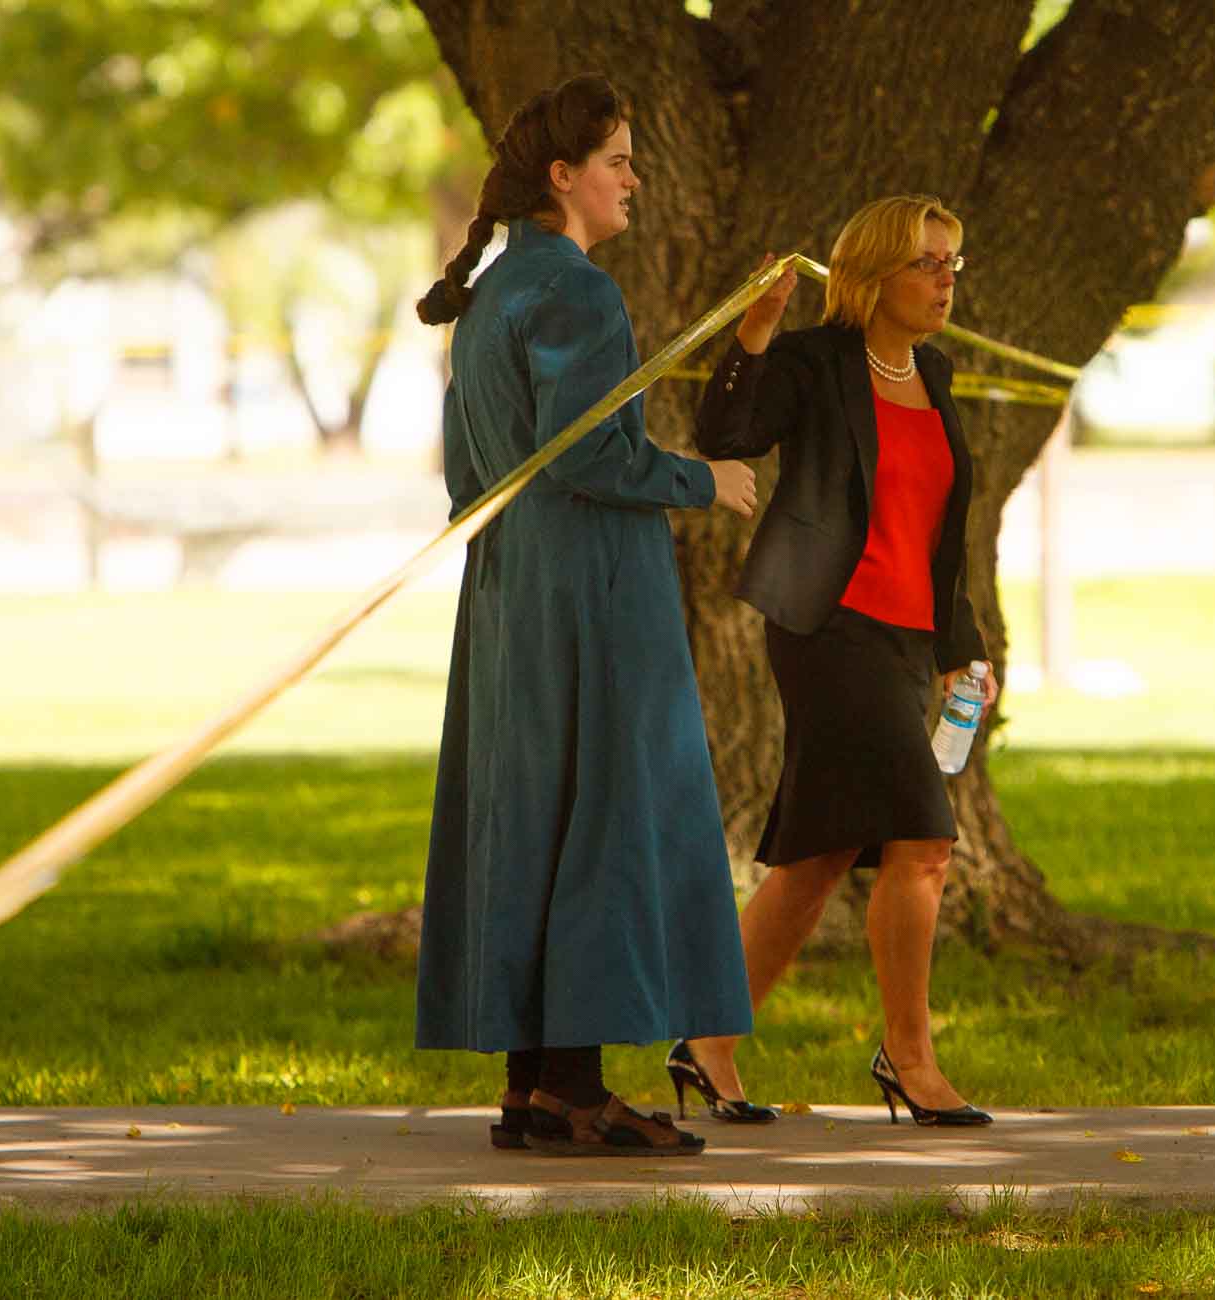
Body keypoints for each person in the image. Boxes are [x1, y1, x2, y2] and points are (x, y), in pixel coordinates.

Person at [412, 73, 759, 1157]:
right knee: (603, 816)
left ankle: (538, 1087)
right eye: (616, 159)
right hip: (590, 594)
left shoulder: (490, 298)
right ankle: (573, 1088)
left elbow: (469, 473)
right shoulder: (574, 292)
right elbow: (591, 453)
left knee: (536, 817)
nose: (633, 177)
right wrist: (710, 480)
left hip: (513, 594)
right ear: (563, 178)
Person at [681, 195, 1000, 1127]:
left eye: (952, 263)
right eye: (926, 263)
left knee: (815, 860)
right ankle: (909, 1057)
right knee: (926, 841)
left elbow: (941, 536)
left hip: (909, 641)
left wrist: (962, 652)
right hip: (828, 630)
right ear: (871, 276)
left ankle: (705, 1038)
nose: (945, 279)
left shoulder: (934, 374)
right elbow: (726, 436)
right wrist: (751, 337)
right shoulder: (816, 363)